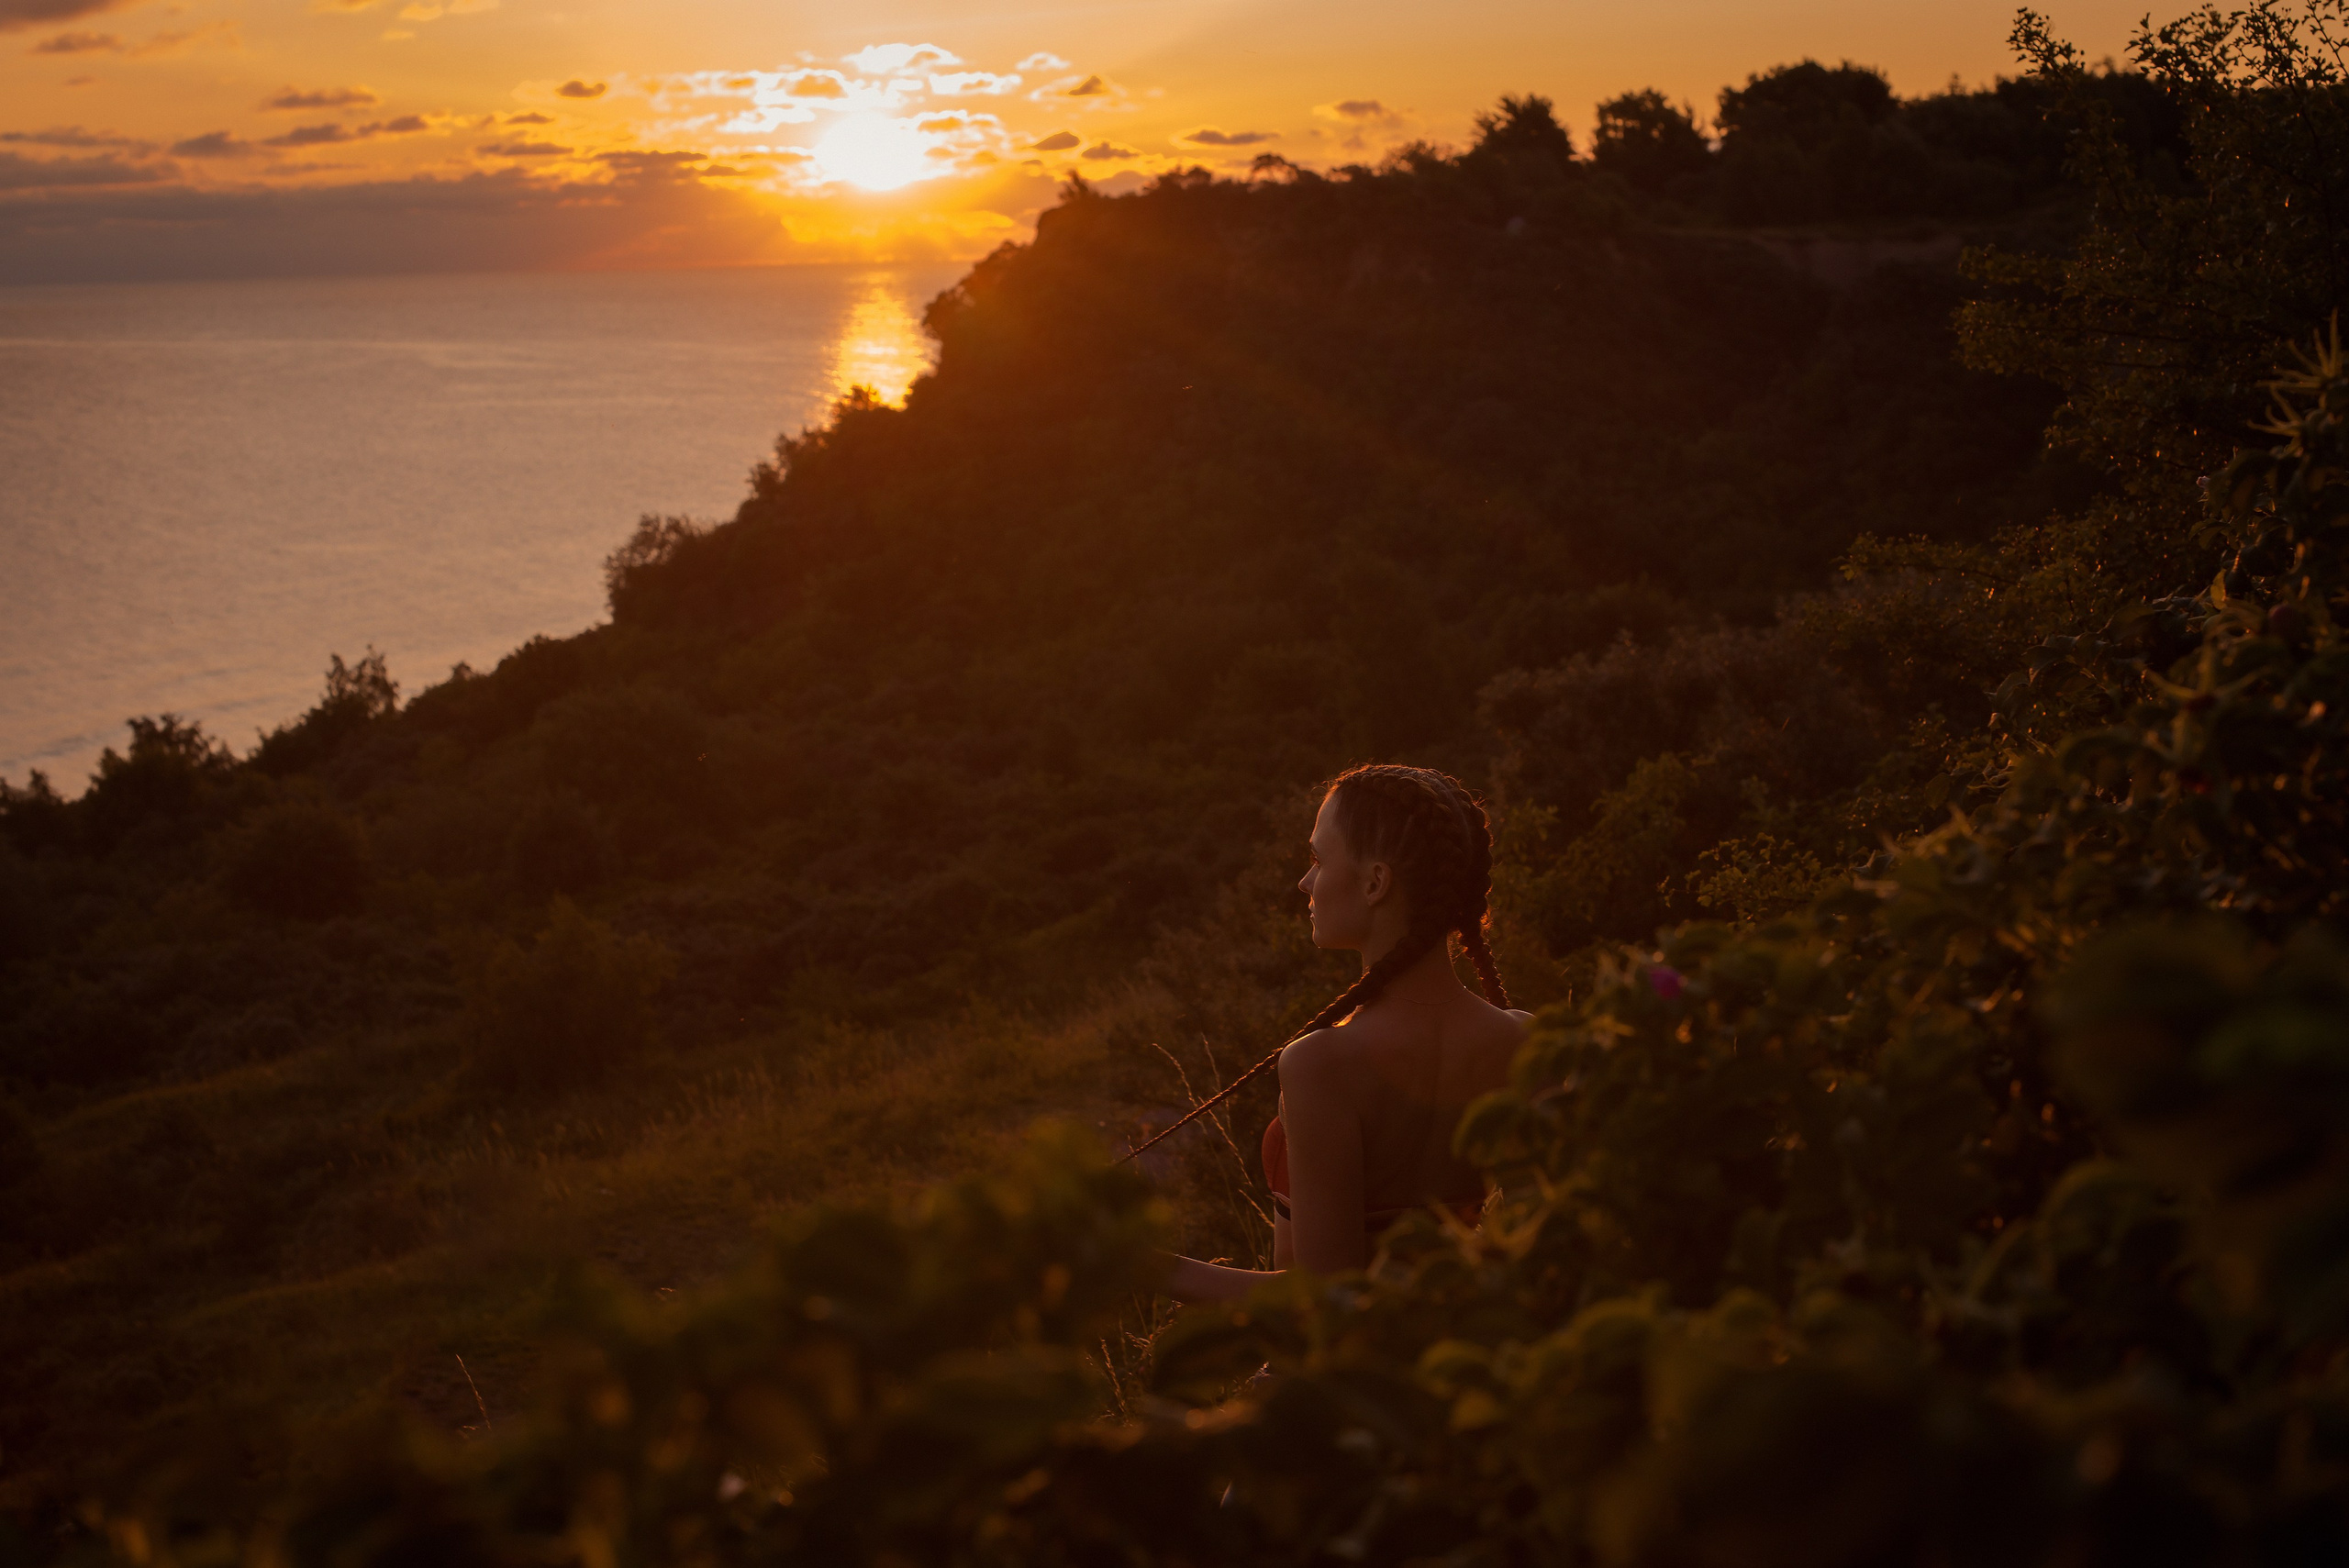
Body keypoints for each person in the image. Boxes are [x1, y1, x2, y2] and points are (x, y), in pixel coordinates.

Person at [1155, 764, 1531, 1302]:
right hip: (1479, 1365)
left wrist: (1141, 1264)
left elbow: (1324, 1305)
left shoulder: (1322, 1062)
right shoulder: (1528, 1043)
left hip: (1353, 1379)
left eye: (1317, 859)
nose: (1305, 882)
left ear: (1376, 883)